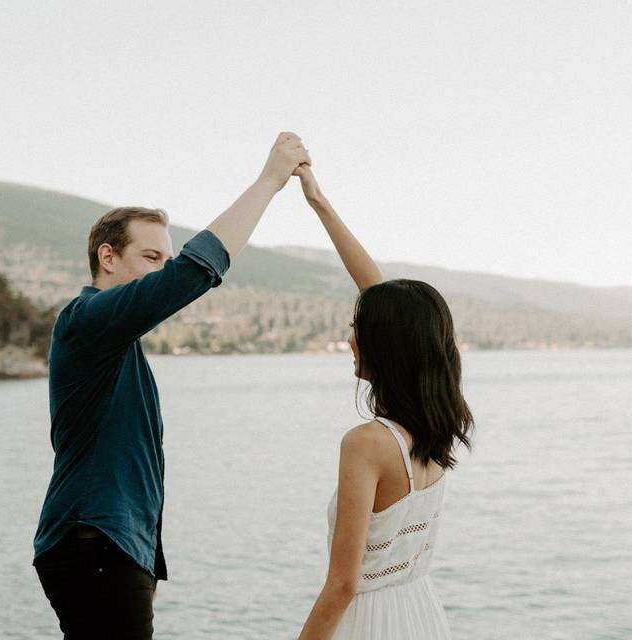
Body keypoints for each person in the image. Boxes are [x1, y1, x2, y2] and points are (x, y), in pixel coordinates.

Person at [33, 132, 311, 639]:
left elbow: (135, 458)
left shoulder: (115, 339)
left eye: (165, 256)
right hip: (92, 541)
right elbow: (194, 271)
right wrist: (270, 181)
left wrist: (147, 558)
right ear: (108, 257)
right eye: (151, 257)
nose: (162, 268)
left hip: (107, 546)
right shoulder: (88, 320)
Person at [293, 165, 473, 639]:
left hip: (369, 623)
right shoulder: (436, 419)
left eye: (358, 330)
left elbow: (342, 584)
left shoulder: (368, 442)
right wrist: (319, 203)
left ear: (384, 346)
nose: (350, 339)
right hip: (418, 610)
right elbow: (391, 306)